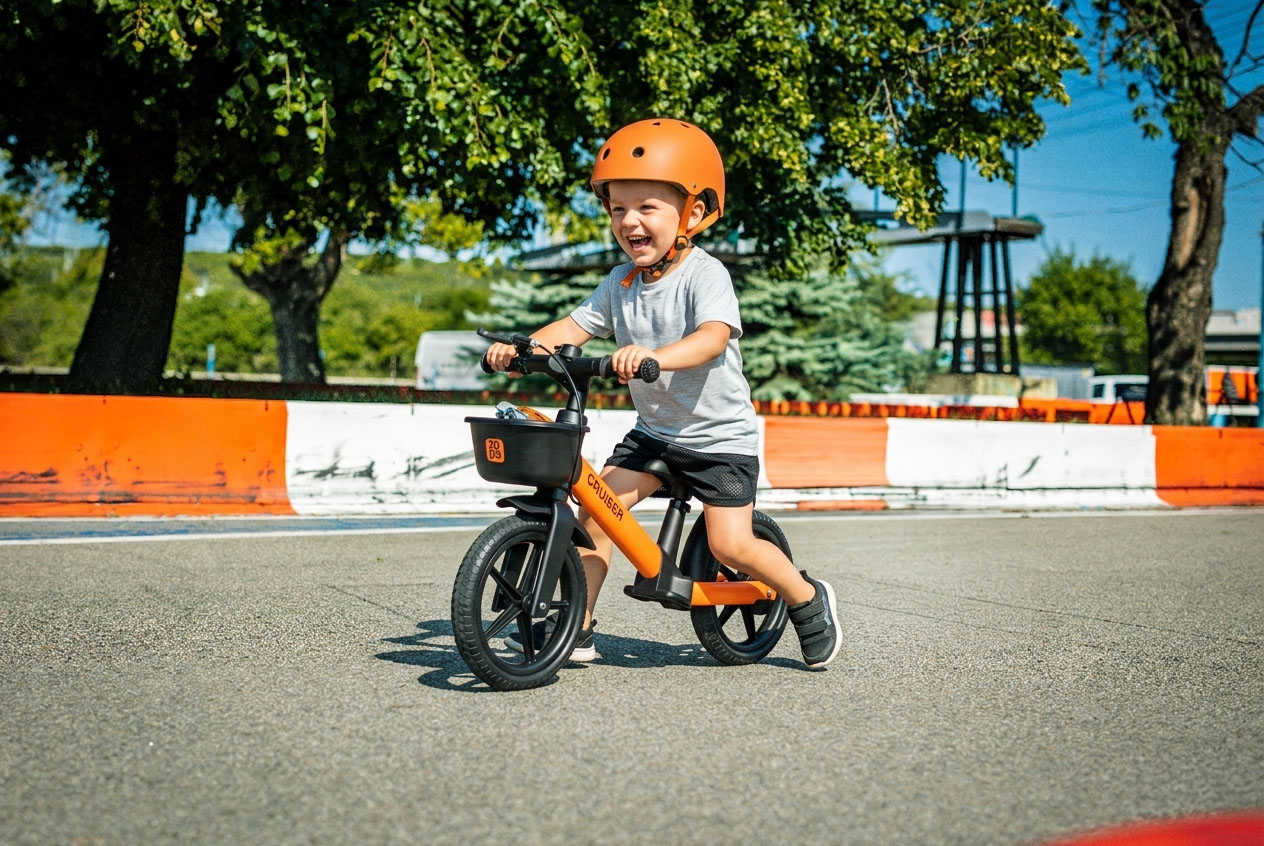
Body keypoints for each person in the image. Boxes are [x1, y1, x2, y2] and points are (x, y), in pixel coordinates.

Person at [485, 118, 840, 669]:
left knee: (730, 546)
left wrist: (654, 357)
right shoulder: (620, 282)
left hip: (719, 440)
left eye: (647, 207)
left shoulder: (705, 274)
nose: (629, 221)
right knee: (597, 507)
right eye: (617, 208)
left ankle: (806, 599)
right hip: (655, 437)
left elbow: (710, 339)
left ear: (692, 214)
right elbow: (572, 328)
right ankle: (575, 627)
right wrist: (521, 348)